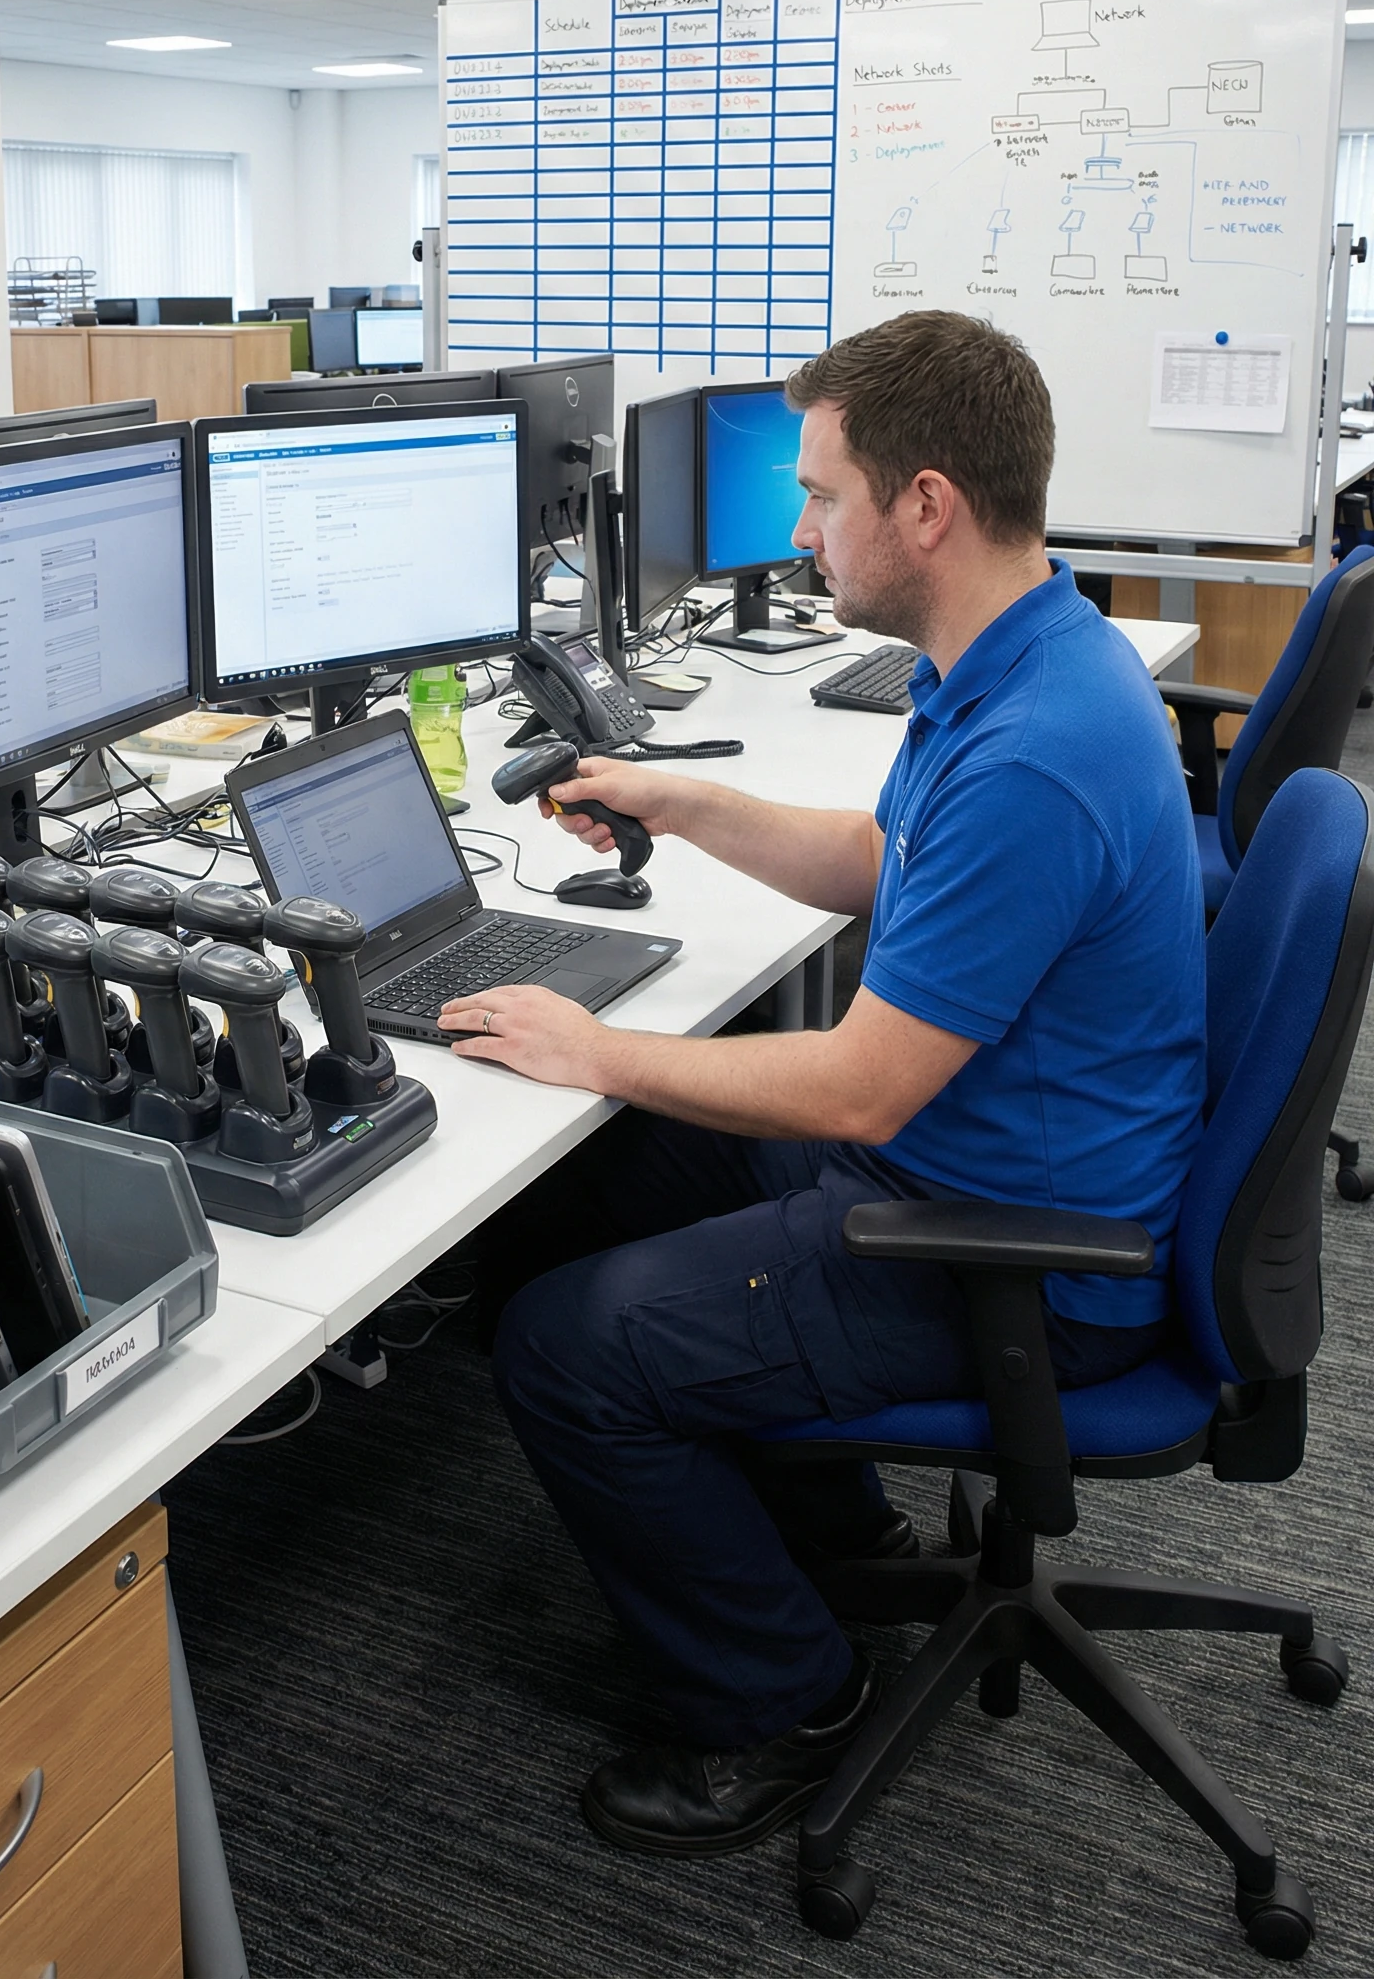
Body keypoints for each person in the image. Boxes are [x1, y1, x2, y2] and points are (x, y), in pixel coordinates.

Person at [436, 309, 1206, 1857]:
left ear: (925, 505)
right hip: (964, 1158)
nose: (801, 529)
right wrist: (690, 801)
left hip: (1012, 1245)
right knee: (569, 1198)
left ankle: (782, 1699)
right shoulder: (1010, 654)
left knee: (563, 1344)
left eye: (823, 494)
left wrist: (596, 1047)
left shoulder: (1038, 746)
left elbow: (858, 1088)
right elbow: (885, 864)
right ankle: (830, 1520)